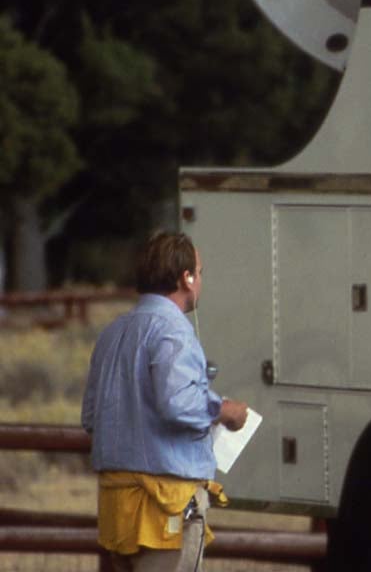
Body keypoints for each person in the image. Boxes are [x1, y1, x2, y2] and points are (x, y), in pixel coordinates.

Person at [82, 231, 249, 572]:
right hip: (166, 506)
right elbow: (178, 403)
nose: (200, 280)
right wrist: (223, 410)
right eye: (199, 272)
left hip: (117, 506)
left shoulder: (113, 333)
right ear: (186, 278)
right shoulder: (174, 331)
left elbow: (90, 417)